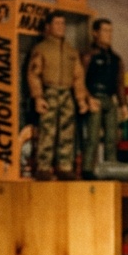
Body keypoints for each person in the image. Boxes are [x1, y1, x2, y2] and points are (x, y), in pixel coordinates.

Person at [27, 10, 89, 179]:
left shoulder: (71, 51)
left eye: (63, 24)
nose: (61, 27)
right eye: (57, 23)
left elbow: (78, 77)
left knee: (67, 131)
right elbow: (34, 74)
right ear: (48, 26)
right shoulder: (42, 49)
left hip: (67, 93)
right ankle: (44, 166)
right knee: (48, 130)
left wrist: (81, 99)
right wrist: (38, 96)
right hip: (50, 92)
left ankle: (64, 166)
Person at [81, 18, 128, 178]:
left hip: (109, 100)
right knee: (92, 137)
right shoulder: (88, 55)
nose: (108, 35)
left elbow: (119, 84)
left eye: (110, 31)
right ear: (95, 33)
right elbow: (79, 80)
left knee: (111, 136)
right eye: (104, 31)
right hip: (94, 98)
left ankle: (111, 166)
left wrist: (123, 105)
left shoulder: (116, 59)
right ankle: (87, 168)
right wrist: (88, 98)